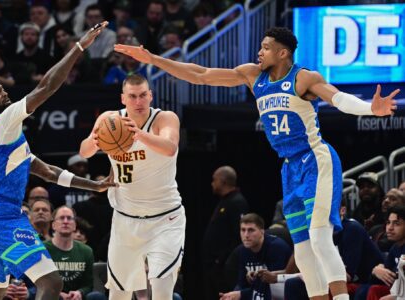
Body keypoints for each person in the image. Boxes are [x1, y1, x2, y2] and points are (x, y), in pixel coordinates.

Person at [115, 26, 399, 300]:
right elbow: (200, 74)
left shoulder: (304, 79)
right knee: (301, 250)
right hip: (289, 167)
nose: (259, 52)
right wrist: (153, 59)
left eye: (266, 47)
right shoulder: (253, 76)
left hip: (316, 160)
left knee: (319, 237)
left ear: (283, 53)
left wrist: (370, 109)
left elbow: (338, 99)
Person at [0, 21, 114, 300]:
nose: (5, 93)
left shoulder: (4, 138)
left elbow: (47, 172)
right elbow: (46, 86)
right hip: (1, 216)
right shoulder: (0, 122)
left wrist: (94, 187)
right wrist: (79, 47)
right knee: (51, 283)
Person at [79, 74, 185, 300]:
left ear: (151, 96)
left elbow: (170, 147)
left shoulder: (164, 118)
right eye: (133, 96)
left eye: (143, 95)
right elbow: (84, 151)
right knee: (118, 294)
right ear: (123, 98)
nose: (139, 102)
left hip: (165, 218)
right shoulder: (109, 119)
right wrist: (96, 141)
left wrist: (139, 134)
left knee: (162, 290)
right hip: (126, 218)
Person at [219, 213, 292, 300]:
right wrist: (232, 296)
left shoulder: (276, 247)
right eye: (243, 230)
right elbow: (242, 284)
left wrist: (241, 294)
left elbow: (275, 287)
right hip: (260, 292)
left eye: (251, 230)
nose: (246, 235)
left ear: (262, 231)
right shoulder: (243, 249)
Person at [202, 165, 249, 299]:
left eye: (214, 180)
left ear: (223, 181)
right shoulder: (225, 201)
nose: (212, 183)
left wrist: (222, 259)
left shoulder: (237, 202)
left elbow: (238, 235)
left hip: (226, 265)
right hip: (215, 265)